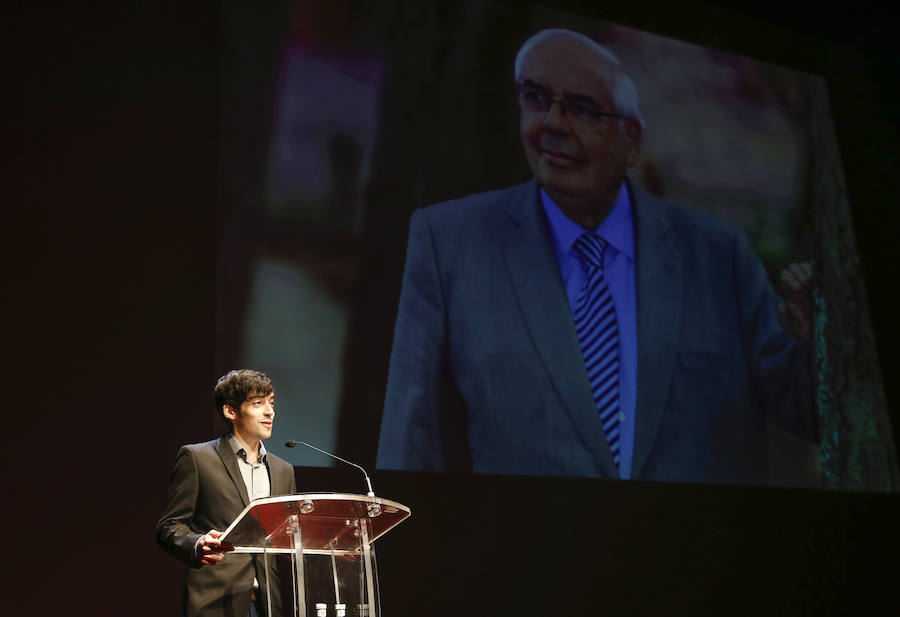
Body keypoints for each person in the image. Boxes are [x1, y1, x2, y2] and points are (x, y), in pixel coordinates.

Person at [375, 28, 817, 484]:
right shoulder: (449, 243)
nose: (552, 124)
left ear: (631, 141)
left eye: (582, 108)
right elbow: (411, 441)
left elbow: (807, 408)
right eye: (535, 98)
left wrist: (816, 341)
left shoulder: (718, 256)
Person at [157, 369, 297, 617]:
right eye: (258, 403)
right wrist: (198, 543)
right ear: (230, 411)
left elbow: (288, 536)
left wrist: (335, 544)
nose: (269, 412)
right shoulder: (198, 458)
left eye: (271, 403)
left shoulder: (283, 470)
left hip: (266, 604)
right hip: (214, 601)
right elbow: (170, 527)